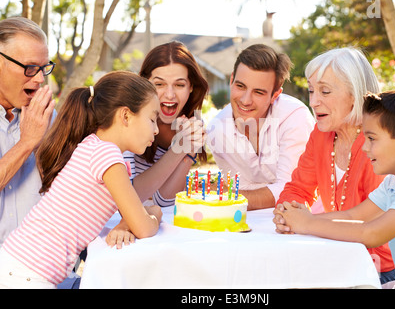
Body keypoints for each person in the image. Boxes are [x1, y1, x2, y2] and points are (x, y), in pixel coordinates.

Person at [0, 71, 163, 289]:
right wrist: (155, 213)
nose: (156, 129)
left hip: (16, 265)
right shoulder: (108, 157)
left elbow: (130, 212)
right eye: (152, 119)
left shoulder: (93, 146)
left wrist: (133, 220)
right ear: (125, 116)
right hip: (25, 276)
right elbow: (143, 227)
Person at [275, 89, 395, 289]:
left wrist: (307, 224)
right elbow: (353, 216)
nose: (364, 147)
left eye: (372, 139)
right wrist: (295, 219)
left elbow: (372, 234)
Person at [273, 47, 395, 286]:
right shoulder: (321, 135)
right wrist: (288, 212)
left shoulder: (378, 143)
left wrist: (307, 223)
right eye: (311, 91)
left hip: (378, 271)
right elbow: (297, 188)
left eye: (325, 91)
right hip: (337, 258)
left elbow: (371, 226)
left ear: (356, 94)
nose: (313, 101)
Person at [108, 41, 207, 247]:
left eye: (179, 85)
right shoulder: (126, 120)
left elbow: (164, 202)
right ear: (144, 83)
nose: (169, 95)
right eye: (159, 84)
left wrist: (186, 150)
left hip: (154, 227)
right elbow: (131, 197)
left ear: (191, 88)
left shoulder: (192, 126)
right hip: (114, 227)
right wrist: (179, 149)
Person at [206, 44, 315, 210]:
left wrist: (227, 195)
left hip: (299, 219)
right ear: (231, 81)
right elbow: (243, 188)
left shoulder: (295, 118)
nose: (245, 100)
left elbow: (292, 191)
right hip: (247, 220)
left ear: (275, 95)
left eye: (258, 92)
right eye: (240, 86)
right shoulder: (218, 128)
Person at [0, 17, 56, 246]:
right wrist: (27, 142)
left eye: (44, 68)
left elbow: (62, 194)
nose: (40, 78)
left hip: (38, 265)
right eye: (30, 68)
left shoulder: (48, 117)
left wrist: (45, 145)